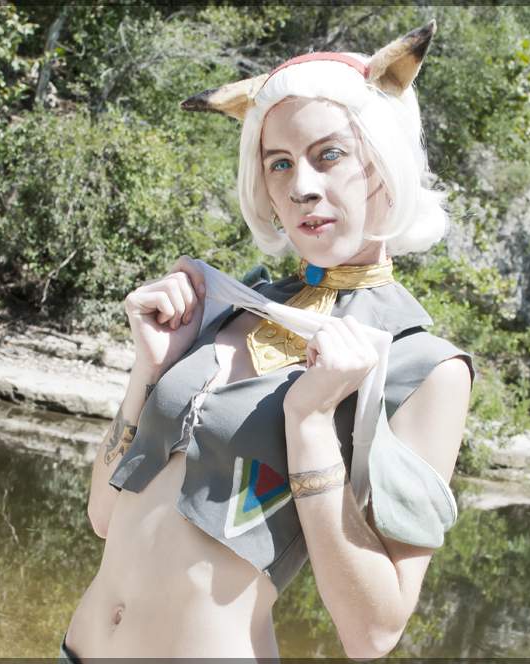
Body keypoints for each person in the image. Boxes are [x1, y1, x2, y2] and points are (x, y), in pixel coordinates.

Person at [60, 20, 475, 661]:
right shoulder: (231, 307)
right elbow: (104, 517)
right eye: (279, 162)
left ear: (385, 162)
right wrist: (150, 371)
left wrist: (310, 426)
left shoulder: (422, 366)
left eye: (329, 155)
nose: (301, 185)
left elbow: (374, 633)